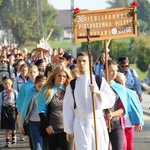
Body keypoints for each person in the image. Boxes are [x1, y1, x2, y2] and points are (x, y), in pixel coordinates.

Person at [63, 52, 116, 150]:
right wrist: (69, 130)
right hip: (80, 123)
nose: (81, 63)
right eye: (79, 61)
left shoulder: (99, 80)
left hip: (97, 122)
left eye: (84, 61)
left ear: (90, 63)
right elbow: (68, 107)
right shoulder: (73, 84)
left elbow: (110, 99)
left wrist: (97, 93)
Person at [36, 64, 73, 150]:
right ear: (54, 76)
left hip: (66, 129)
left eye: (64, 76)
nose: (62, 78)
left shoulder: (69, 89)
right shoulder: (47, 90)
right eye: (59, 75)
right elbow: (41, 110)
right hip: (52, 129)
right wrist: (47, 125)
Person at [115, 72, 144, 150]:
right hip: (118, 123)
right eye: (117, 80)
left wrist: (139, 122)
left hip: (129, 123)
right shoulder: (113, 92)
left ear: (125, 81)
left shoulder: (131, 93)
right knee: (122, 145)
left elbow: (137, 108)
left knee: (129, 145)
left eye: (121, 80)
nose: (120, 82)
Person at [19, 75, 48, 150]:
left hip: (46, 123)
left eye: (43, 86)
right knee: (37, 147)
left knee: (46, 147)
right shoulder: (31, 93)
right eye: (39, 86)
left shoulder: (48, 93)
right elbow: (24, 109)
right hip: (34, 123)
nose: (41, 89)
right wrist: (20, 125)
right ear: (35, 84)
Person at [16, 65, 39, 142]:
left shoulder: (43, 84)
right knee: (33, 140)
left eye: (34, 72)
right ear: (28, 74)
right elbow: (20, 103)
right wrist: (20, 117)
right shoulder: (25, 87)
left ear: (38, 72)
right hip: (30, 117)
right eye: (31, 72)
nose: (33, 74)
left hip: (42, 116)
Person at [0, 77, 18, 147]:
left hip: (12, 108)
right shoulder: (1, 93)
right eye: (5, 83)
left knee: (13, 124)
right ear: (3, 84)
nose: (7, 85)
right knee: (6, 126)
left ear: (11, 83)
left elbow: (17, 101)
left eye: (9, 83)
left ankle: (14, 135)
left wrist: (18, 111)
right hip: (5, 108)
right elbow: (0, 103)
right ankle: (7, 140)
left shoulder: (14, 92)